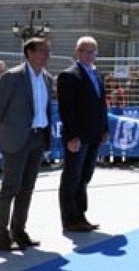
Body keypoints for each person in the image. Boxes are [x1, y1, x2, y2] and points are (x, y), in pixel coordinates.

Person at [0, 37, 53, 250]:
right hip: (16, 139)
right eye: (42, 51)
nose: (47, 55)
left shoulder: (47, 78)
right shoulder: (12, 77)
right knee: (10, 187)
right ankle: (1, 234)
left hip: (37, 138)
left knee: (27, 189)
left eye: (48, 51)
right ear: (29, 53)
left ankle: (19, 231)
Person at [57, 36, 109, 233]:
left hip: (94, 134)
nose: (91, 55)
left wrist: (105, 129)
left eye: (94, 51)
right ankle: (70, 219)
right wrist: (71, 137)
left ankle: (81, 215)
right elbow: (66, 109)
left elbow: (101, 104)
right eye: (87, 51)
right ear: (77, 52)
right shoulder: (69, 75)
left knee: (85, 176)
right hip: (77, 137)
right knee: (72, 177)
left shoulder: (97, 74)